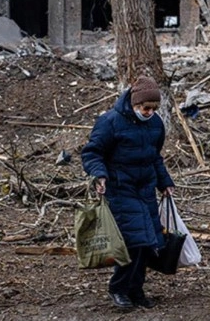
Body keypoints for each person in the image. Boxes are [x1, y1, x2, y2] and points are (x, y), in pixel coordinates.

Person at [81, 75, 175, 309]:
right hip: (120, 189)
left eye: (154, 108)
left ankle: (136, 289)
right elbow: (92, 153)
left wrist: (165, 182)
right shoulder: (110, 122)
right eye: (145, 107)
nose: (149, 112)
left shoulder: (155, 124)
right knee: (132, 243)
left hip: (145, 190)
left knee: (147, 243)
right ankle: (119, 288)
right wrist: (99, 175)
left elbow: (155, 156)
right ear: (134, 103)